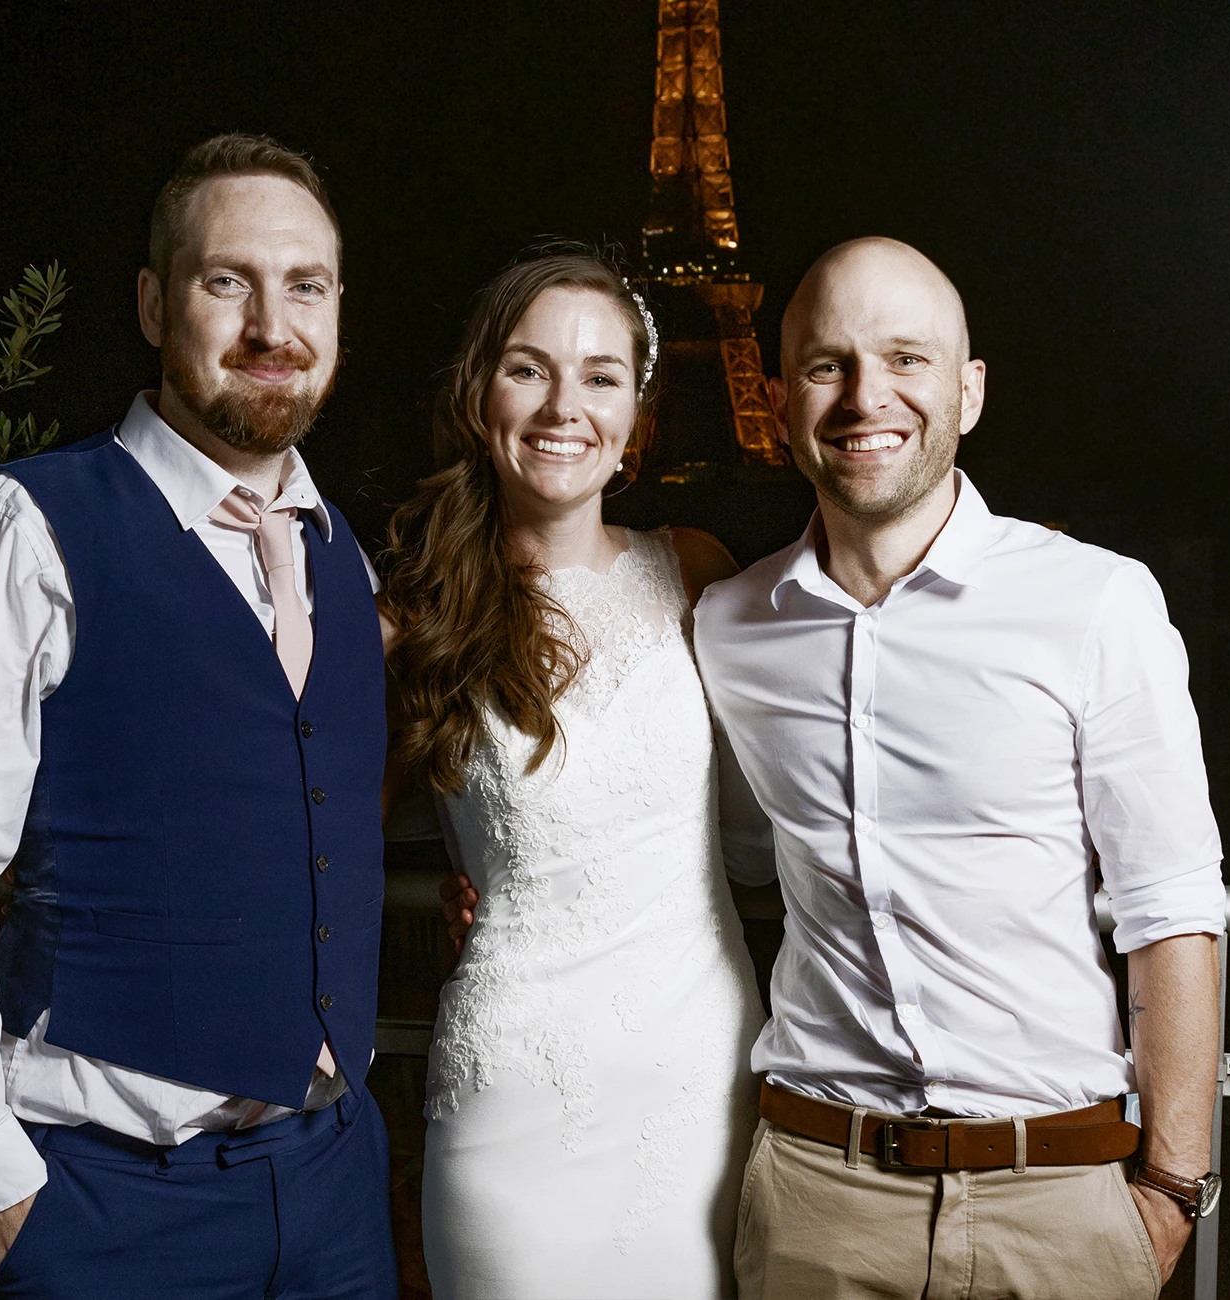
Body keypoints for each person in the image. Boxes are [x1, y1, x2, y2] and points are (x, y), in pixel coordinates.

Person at [0, 133, 397, 1298]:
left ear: (340, 308)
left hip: (338, 1186)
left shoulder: (345, 558)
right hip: (109, 1204)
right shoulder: (14, 532)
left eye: (305, 286)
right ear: (154, 303)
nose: (271, 326)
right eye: (225, 281)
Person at [694, 237, 1226, 1299]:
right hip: (814, 1196)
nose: (865, 395)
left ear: (969, 392)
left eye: (907, 359)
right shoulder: (730, 624)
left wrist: (1170, 1189)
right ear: (777, 394)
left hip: (1059, 1197)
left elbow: (1171, 907)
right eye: (826, 363)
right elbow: (729, 860)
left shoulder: (1096, 600)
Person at [383, 249, 767, 1298]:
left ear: (637, 411)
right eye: (529, 368)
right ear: (478, 393)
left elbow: (770, 817)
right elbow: (319, 834)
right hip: (513, 1093)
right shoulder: (411, 615)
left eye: (601, 375)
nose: (566, 404)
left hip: (701, 1081)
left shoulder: (696, 569)